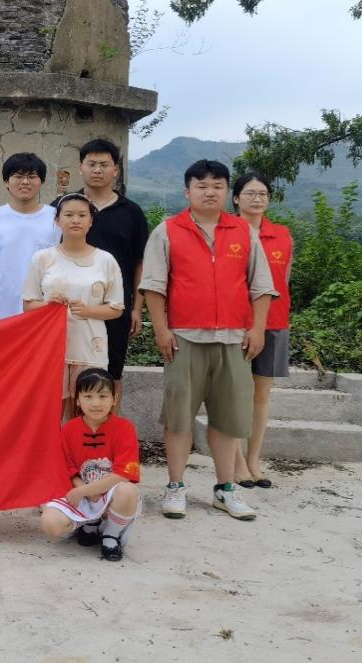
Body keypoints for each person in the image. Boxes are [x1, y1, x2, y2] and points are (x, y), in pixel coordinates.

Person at [139, 160, 277, 522]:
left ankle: (225, 489)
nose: (210, 192)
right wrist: (161, 330)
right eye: (201, 186)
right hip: (184, 338)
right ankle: (175, 486)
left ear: (228, 192)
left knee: (228, 419)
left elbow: (261, 286)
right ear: (187, 191)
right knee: (178, 418)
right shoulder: (168, 230)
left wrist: (258, 329)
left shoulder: (243, 231)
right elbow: (153, 286)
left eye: (217, 186)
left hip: (234, 339)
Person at [22, 193, 126, 422]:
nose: (75, 220)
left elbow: (116, 308)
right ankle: (51, 446)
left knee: (85, 411)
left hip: (90, 345)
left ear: (91, 221)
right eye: (69, 215)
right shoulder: (42, 258)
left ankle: (82, 447)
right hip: (51, 346)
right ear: (57, 220)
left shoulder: (106, 260)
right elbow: (28, 305)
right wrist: (48, 304)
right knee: (50, 410)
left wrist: (88, 311)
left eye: (82, 215)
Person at [231, 171, 294, 490]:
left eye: (263, 194)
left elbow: (285, 280)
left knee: (261, 395)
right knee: (234, 394)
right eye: (250, 193)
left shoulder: (282, 235)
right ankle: (237, 463)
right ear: (236, 198)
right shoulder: (225, 233)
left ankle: (254, 460)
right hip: (234, 324)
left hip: (274, 323)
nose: (257, 199)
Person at [77, 138, 149, 413]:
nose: (97, 170)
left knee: (112, 371)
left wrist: (136, 308)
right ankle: (72, 432)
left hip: (115, 308)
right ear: (81, 167)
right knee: (71, 370)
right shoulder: (65, 206)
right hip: (72, 308)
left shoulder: (131, 212)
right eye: (91, 164)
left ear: (115, 169)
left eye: (104, 164)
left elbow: (139, 263)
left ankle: (110, 431)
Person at [40, 368, 142, 562]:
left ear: (114, 399)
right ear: (78, 400)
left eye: (103, 396)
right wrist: (83, 491)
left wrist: (88, 490)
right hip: (80, 493)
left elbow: (123, 474)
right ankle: (88, 523)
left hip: (110, 493)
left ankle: (111, 535)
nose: (96, 403)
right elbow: (67, 467)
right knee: (50, 523)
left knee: (128, 491)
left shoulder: (125, 428)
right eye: (88, 396)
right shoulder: (68, 429)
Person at [0, 153, 59, 323]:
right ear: (6, 182)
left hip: (45, 313)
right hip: (0, 313)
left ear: (41, 181)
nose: (25, 182)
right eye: (18, 176)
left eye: (32, 176)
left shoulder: (56, 218)